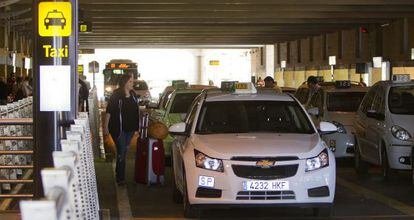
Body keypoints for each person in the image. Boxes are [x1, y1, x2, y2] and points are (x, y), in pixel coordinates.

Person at [104, 74, 140, 185]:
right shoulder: (116, 95)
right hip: (118, 129)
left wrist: (137, 128)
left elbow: (136, 111)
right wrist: (105, 127)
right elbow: (109, 111)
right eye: (130, 81)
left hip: (130, 129)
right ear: (125, 82)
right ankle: (120, 178)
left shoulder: (133, 95)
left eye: (132, 81)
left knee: (123, 151)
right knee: (122, 150)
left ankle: (119, 173)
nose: (132, 83)